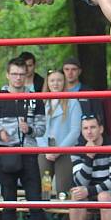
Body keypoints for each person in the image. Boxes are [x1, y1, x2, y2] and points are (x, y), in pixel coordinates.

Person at [0, 57, 52, 220]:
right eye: (14, 74)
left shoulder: (35, 99)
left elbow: (42, 128)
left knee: (35, 201)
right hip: (6, 153)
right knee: (9, 203)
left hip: (29, 153)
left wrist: (29, 129)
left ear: (27, 75)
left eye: (21, 74)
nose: (18, 78)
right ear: (7, 75)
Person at [38, 69, 82, 198]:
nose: (55, 84)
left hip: (64, 150)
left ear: (64, 82)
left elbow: (75, 130)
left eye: (59, 80)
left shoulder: (72, 102)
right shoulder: (42, 102)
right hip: (44, 150)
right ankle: (45, 216)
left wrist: (59, 150)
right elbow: (37, 128)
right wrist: (45, 149)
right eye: (52, 80)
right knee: (44, 189)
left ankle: (64, 217)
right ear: (48, 82)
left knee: (63, 189)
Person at [62, 57, 105, 123]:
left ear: (79, 71)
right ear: (63, 71)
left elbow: (99, 118)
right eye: (66, 69)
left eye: (74, 69)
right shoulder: (58, 92)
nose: (70, 72)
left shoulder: (89, 93)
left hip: (86, 131)